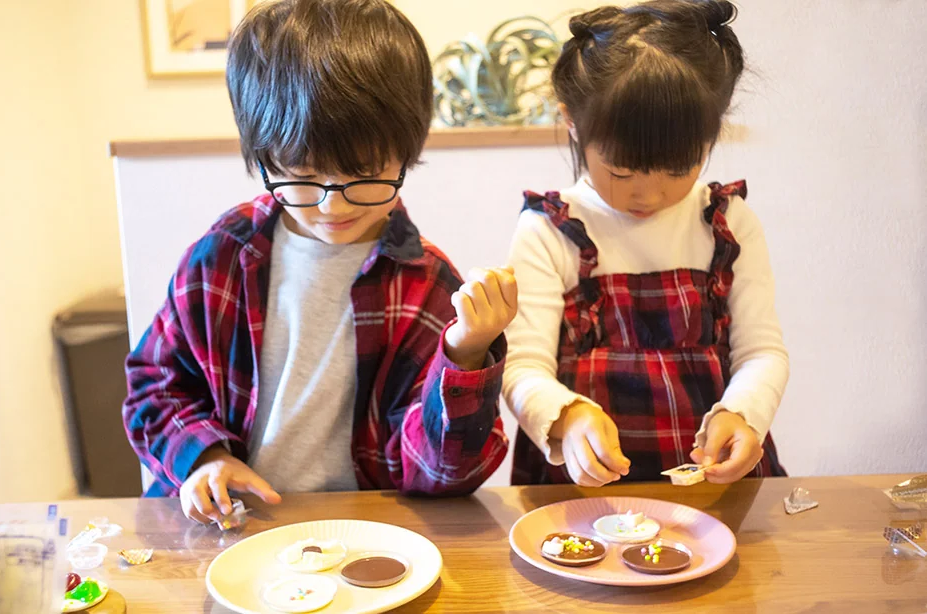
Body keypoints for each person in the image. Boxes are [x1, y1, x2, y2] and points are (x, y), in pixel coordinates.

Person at [123, 0, 517, 523]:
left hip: (365, 532)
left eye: (365, 173)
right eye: (301, 174)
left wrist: (464, 356)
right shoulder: (223, 256)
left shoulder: (426, 283)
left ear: (408, 149)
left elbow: (441, 478)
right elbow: (155, 383)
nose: (333, 205)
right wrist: (206, 458)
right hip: (231, 524)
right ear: (263, 155)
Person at [504, 0, 788, 487]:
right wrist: (567, 418)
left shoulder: (727, 224)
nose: (650, 194)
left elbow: (761, 351)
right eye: (621, 172)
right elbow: (523, 365)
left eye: (679, 169)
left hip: (712, 484)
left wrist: (743, 414)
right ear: (572, 121)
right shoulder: (550, 232)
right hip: (582, 486)